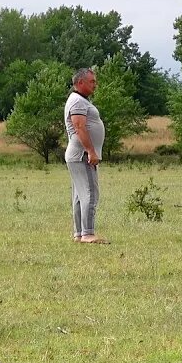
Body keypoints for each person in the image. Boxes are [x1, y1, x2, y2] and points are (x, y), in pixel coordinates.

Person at [64, 67, 107, 244]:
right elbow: (79, 127)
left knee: (79, 195)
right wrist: (90, 151)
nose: (95, 85)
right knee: (90, 192)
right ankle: (88, 234)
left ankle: (79, 233)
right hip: (82, 154)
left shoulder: (80, 100)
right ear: (80, 82)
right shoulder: (78, 102)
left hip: (79, 154)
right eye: (92, 81)